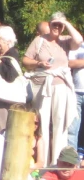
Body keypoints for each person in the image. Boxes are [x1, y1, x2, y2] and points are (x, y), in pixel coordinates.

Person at [23, 11, 83, 164]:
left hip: (61, 87)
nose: (57, 27)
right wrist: (39, 63)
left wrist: (66, 22)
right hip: (42, 86)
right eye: (54, 24)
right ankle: (42, 161)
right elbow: (25, 59)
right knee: (42, 123)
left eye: (59, 25)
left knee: (60, 124)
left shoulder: (65, 41)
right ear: (49, 25)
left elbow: (79, 39)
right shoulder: (39, 40)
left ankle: (57, 161)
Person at [68, 41, 84, 150]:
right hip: (76, 91)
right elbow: (70, 63)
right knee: (72, 129)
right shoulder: (78, 45)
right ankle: (72, 159)